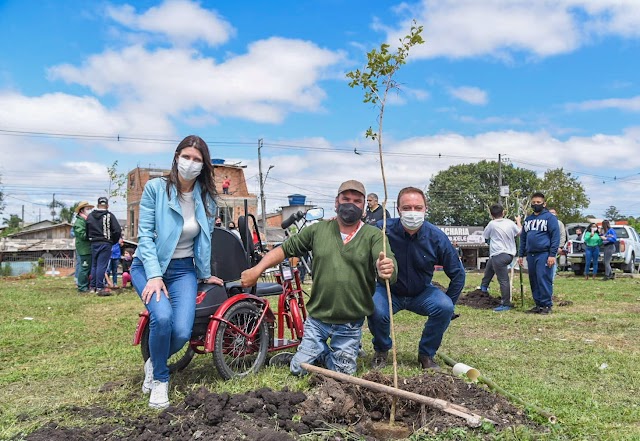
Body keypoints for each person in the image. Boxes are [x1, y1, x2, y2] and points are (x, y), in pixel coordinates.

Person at [241, 180, 396, 376]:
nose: (350, 204)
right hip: (317, 320)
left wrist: (386, 267)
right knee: (298, 370)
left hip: (350, 322)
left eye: (357, 201)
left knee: (343, 375)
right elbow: (285, 249)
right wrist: (257, 269)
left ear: (364, 206)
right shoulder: (318, 230)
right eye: (345, 199)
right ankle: (313, 355)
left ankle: (324, 355)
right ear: (336, 202)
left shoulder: (373, 235)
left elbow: (386, 260)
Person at [130, 135, 223, 409]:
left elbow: (203, 240)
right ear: (176, 157)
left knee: (183, 331)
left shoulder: (206, 199)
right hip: (148, 267)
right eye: (187, 157)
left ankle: (153, 362)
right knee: (162, 317)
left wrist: (204, 274)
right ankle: (160, 380)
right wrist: (155, 275)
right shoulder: (155, 189)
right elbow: (145, 236)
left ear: (204, 165)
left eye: (197, 159)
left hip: (184, 270)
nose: (190, 163)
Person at [368, 187, 465, 371]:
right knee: (375, 308)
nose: (412, 213)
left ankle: (426, 354)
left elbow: (458, 274)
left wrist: (450, 304)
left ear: (425, 209)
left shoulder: (437, 237)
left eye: (417, 208)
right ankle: (381, 350)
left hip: (422, 292)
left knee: (444, 307)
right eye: (407, 208)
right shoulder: (381, 229)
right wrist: (337, 223)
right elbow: (357, 236)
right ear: (398, 210)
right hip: (388, 289)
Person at [517, 192, 560, 315]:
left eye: (538, 202)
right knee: (534, 280)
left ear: (544, 204)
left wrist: (552, 254)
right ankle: (538, 304)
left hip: (544, 254)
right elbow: (523, 238)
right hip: (531, 255)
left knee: (543, 278)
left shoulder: (550, 218)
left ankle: (546, 305)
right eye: (534, 202)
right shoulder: (528, 220)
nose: (536, 204)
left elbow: (555, 237)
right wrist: (521, 255)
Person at [478, 204, 521, 312]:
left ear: (491, 214)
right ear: (503, 213)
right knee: (490, 265)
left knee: (503, 280)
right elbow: (519, 232)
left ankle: (506, 303)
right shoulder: (510, 223)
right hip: (509, 254)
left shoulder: (492, 224)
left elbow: (485, 236)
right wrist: (518, 221)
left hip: (499, 254)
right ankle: (483, 288)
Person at [86, 197, 121, 296]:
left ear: (97, 205)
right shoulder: (109, 216)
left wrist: (90, 238)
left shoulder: (90, 216)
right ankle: (100, 287)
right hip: (105, 242)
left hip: (93, 242)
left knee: (94, 264)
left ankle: (92, 287)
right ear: (107, 205)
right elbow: (117, 230)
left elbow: (86, 229)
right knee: (102, 265)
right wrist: (113, 241)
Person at [73, 201, 94, 293]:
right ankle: (82, 287)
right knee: (84, 268)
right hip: (84, 248)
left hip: (88, 248)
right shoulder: (79, 222)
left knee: (88, 268)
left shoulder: (85, 220)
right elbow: (82, 235)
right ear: (82, 210)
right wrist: (92, 235)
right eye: (87, 209)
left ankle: (87, 285)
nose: (89, 211)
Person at [548, 209, 566, 277]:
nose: (552, 214)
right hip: (545, 247)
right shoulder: (545, 222)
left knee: (553, 263)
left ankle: (552, 278)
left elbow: (562, 235)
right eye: (550, 213)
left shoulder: (559, 223)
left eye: (553, 212)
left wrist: (560, 246)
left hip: (555, 247)